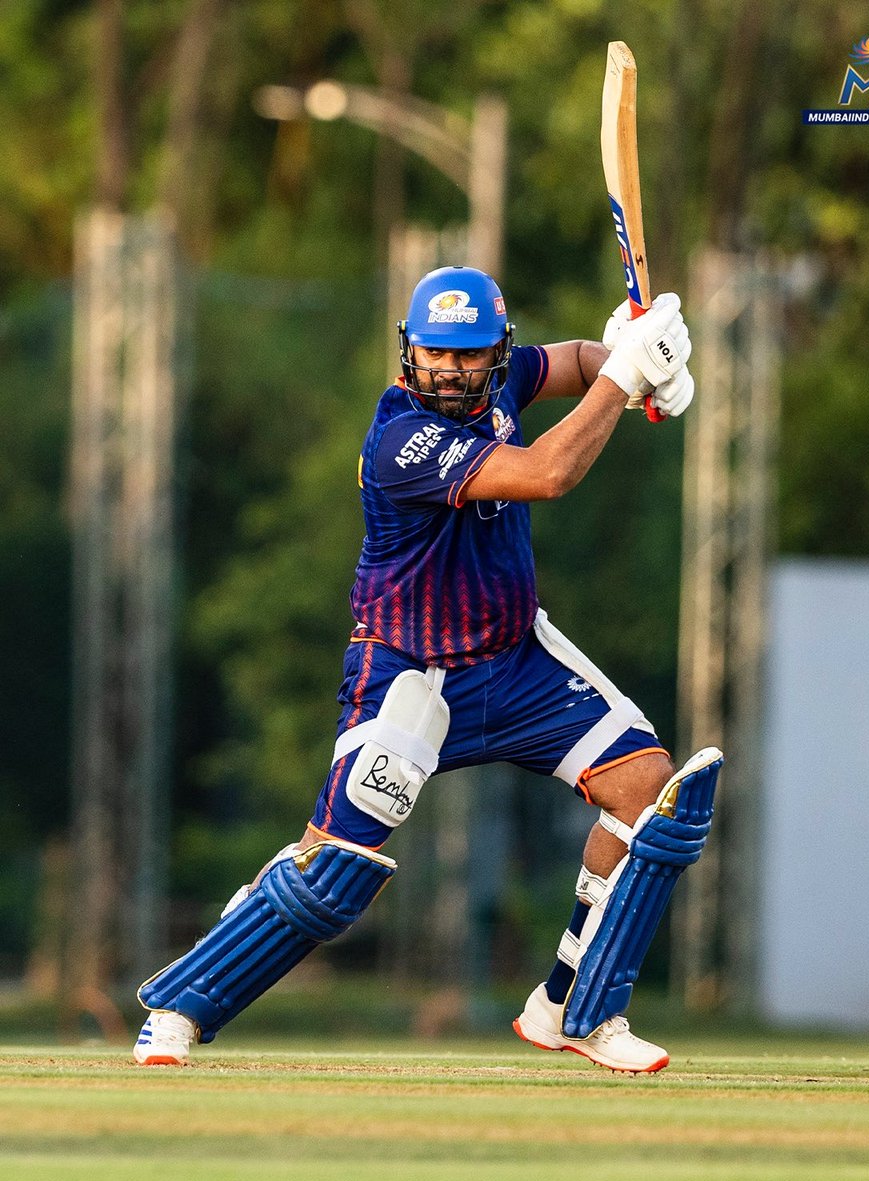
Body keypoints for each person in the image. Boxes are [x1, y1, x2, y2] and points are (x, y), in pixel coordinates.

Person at [133, 266, 722, 1073]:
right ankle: (181, 1005)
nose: (451, 370)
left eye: (470, 355)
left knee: (650, 794)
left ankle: (573, 1008)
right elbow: (549, 474)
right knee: (331, 872)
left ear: (495, 352)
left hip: (515, 662)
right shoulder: (401, 439)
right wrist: (624, 382)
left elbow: (575, 362)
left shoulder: (505, 379)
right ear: (410, 352)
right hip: (408, 674)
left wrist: (631, 354)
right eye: (436, 354)